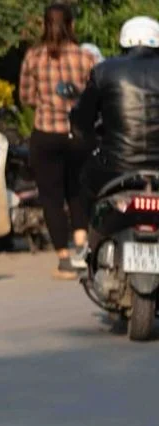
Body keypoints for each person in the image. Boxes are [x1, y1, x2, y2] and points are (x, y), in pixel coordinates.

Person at [19, 3, 99, 279]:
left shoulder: (33, 57)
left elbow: (26, 97)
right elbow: (96, 96)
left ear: (44, 25)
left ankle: (64, 260)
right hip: (78, 135)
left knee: (52, 197)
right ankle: (81, 245)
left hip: (46, 134)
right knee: (77, 189)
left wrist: (47, 103)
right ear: (72, 26)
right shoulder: (86, 57)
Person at [70, 15, 159, 253]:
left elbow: (82, 120)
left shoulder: (104, 71)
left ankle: (91, 246)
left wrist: (84, 136)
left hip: (116, 167)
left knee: (84, 181)